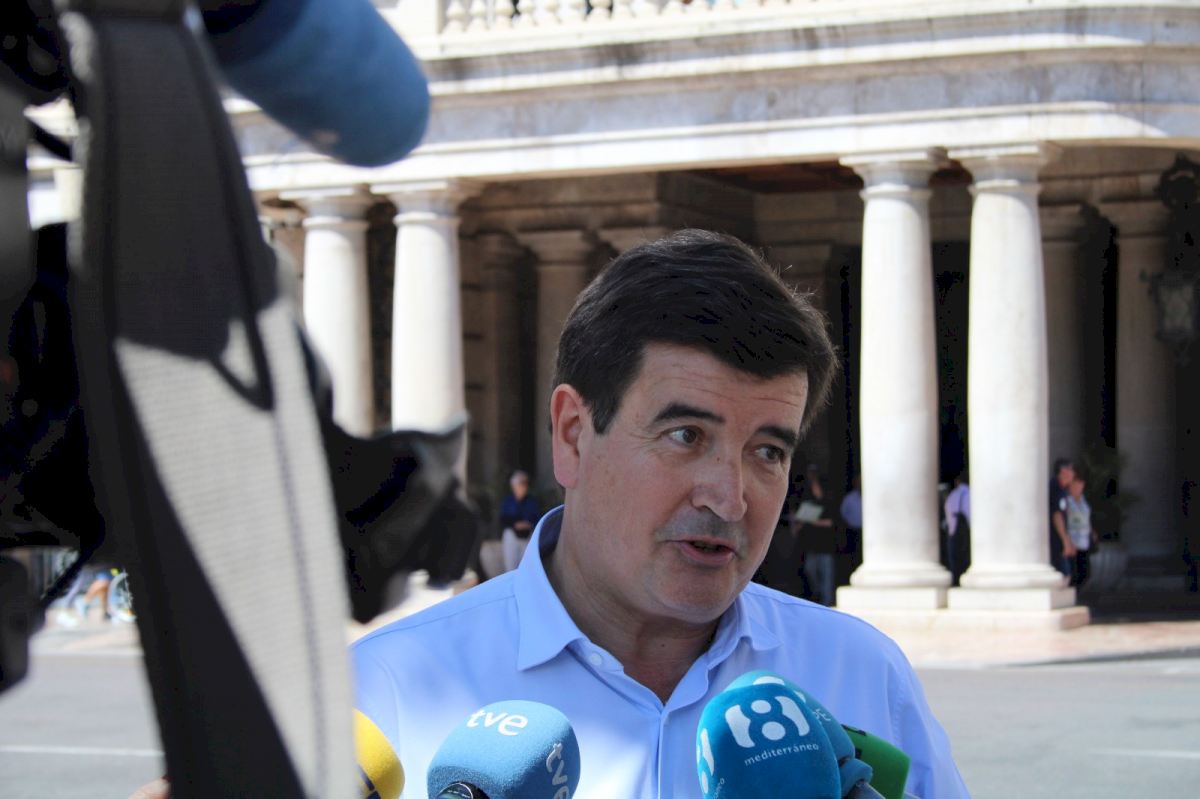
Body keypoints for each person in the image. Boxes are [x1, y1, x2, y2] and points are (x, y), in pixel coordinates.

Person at [352, 230, 968, 797]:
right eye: (685, 436)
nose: (729, 499)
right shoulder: (383, 691)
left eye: (768, 452)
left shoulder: (864, 674)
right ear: (572, 436)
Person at [796, 463, 837, 606]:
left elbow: (831, 522)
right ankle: (818, 596)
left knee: (826, 575)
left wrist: (814, 522)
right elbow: (800, 519)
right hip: (811, 545)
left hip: (825, 545)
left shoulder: (829, 501)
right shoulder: (807, 498)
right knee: (810, 570)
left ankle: (827, 602)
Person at [498, 469, 541, 572]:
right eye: (520, 484)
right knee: (511, 568)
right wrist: (515, 524)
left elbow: (537, 518)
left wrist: (529, 524)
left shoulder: (532, 502)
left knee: (526, 567)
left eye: (525, 484)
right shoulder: (508, 501)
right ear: (514, 486)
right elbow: (503, 519)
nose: (523, 487)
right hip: (511, 535)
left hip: (527, 536)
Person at [1063, 476, 1097, 588]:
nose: (1078, 486)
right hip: (1072, 541)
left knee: (1085, 573)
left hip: (1084, 542)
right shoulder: (1066, 500)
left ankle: (1076, 593)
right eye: (1076, 483)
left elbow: (1086, 517)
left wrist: (1091, 531)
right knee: (1074, 573)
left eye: (1080, 484)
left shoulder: (1083, 500)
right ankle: (1072, 593)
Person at [943, 471, 971, 586]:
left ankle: (956, 581)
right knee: (964, 558)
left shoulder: (953, 495)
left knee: (955, 559)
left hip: (952, 531)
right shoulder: (967, 494)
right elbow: (970, 513)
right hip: (963, 531)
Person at [1049, 458, 1076, 577]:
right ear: (1063, 471)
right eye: (1071, 470)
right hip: (1054, 540)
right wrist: (1065, 541)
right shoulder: (1055, 488)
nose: (1073, 474)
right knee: (1063, 574)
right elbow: (1057, 515)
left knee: (1066, 574)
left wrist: (1068, 540)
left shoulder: (1063, 489)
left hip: (1059, 539)